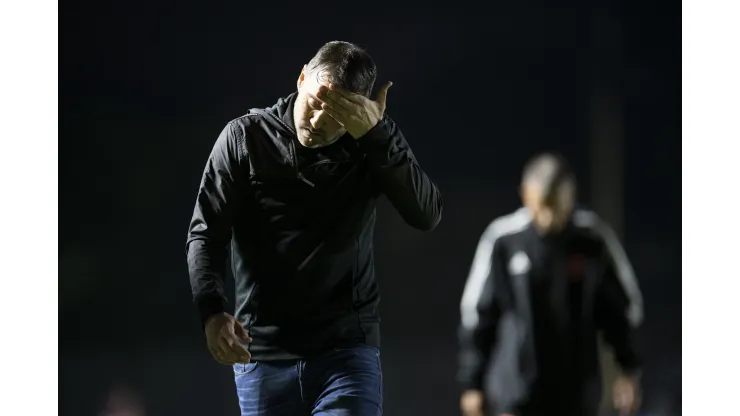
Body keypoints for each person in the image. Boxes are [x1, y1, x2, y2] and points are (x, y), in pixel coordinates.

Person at [185, 40, 442, 416]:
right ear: (302, 77)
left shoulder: (370, 143)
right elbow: (206, 233)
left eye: (338, 115)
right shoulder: (245, 138)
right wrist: (211, 311)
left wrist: (379, 135)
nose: (320, 122)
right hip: (263, 355)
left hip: (346, 353)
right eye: (317, 103)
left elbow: (427, 213)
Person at [457, 153, 643, 416]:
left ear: (571, 196)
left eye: (556, 206)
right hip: (515, 393)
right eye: (541, 206)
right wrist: (472, 383)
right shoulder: (503, 240)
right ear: (525, 195)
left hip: (577, 394)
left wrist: (629, 369)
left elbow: (621, 310)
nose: (548, 217)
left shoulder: (592, 241)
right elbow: (478, 314)